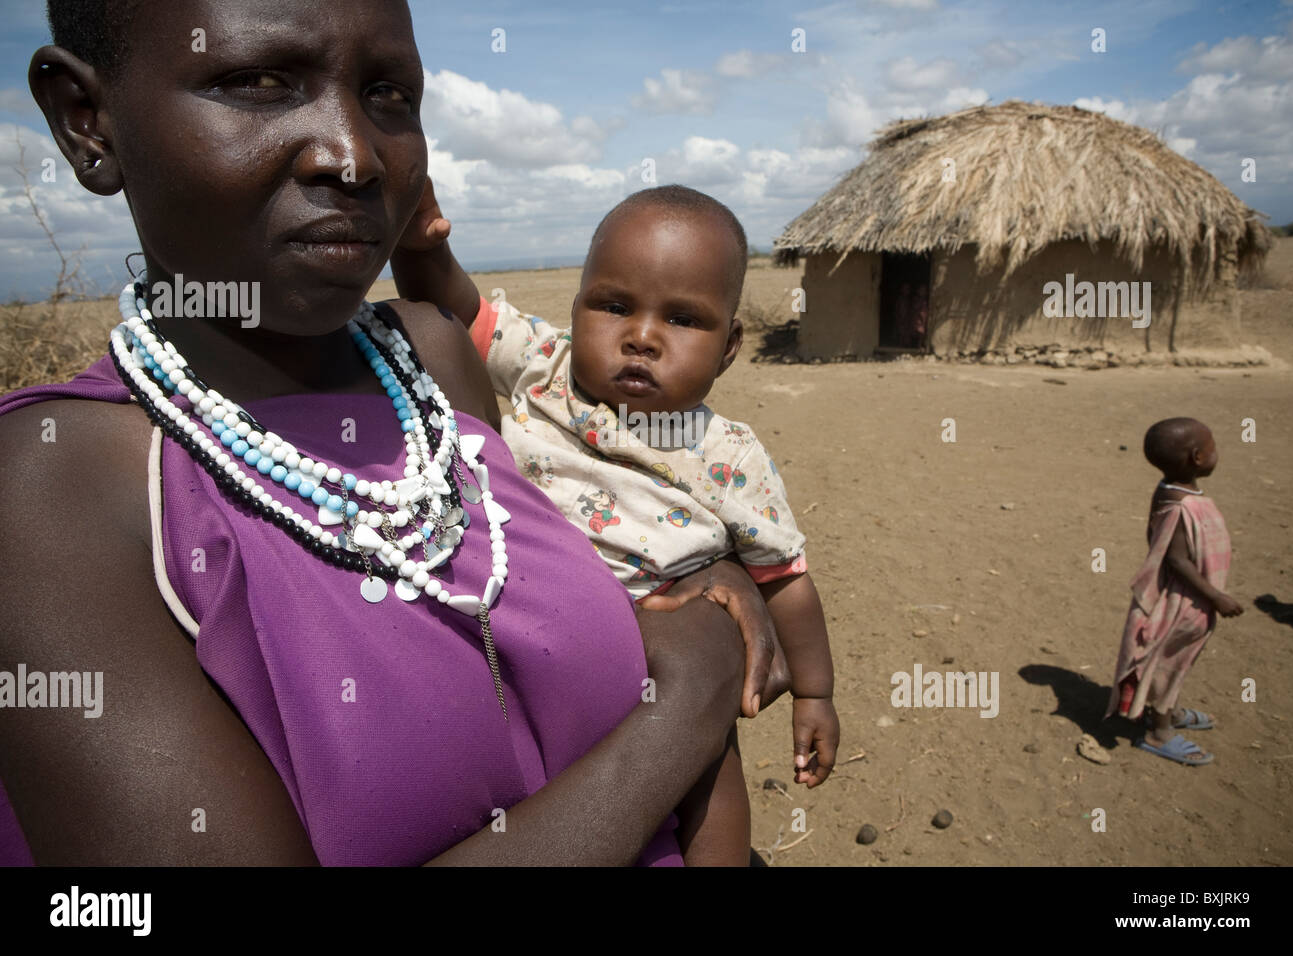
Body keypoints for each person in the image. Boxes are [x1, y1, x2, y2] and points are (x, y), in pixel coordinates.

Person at [0, 0, 788, 866]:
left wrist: (701, 567)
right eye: (261, 82)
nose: (354, 154)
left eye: (387, 95)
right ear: (86, 121)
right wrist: (681, 710)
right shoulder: (54, 488)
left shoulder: (434, 360)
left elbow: (554, 562)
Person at [398, 186, 838, 865]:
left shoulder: (728, 456)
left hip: (662, 655)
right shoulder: (547, 370)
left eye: (684, 319)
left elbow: (785, 579)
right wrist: (424, 244)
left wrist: (815, 691)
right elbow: (458, 311)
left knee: (710, 773)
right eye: (613, 306)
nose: (642, 336)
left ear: (728, 347)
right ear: (576, 313)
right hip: (528, 641)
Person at [1105, 417, 1243, 766]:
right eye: (1213, 448)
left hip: (1191, 597)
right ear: (1197, 457)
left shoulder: (1170, 489)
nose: (1216, 454)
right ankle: (1159, 731)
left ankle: (1170, 710)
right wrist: (1216, 596)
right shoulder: (1181, 507)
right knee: (1166, 663)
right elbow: (1178, 561)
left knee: (1178, 661)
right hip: (1182, 603)